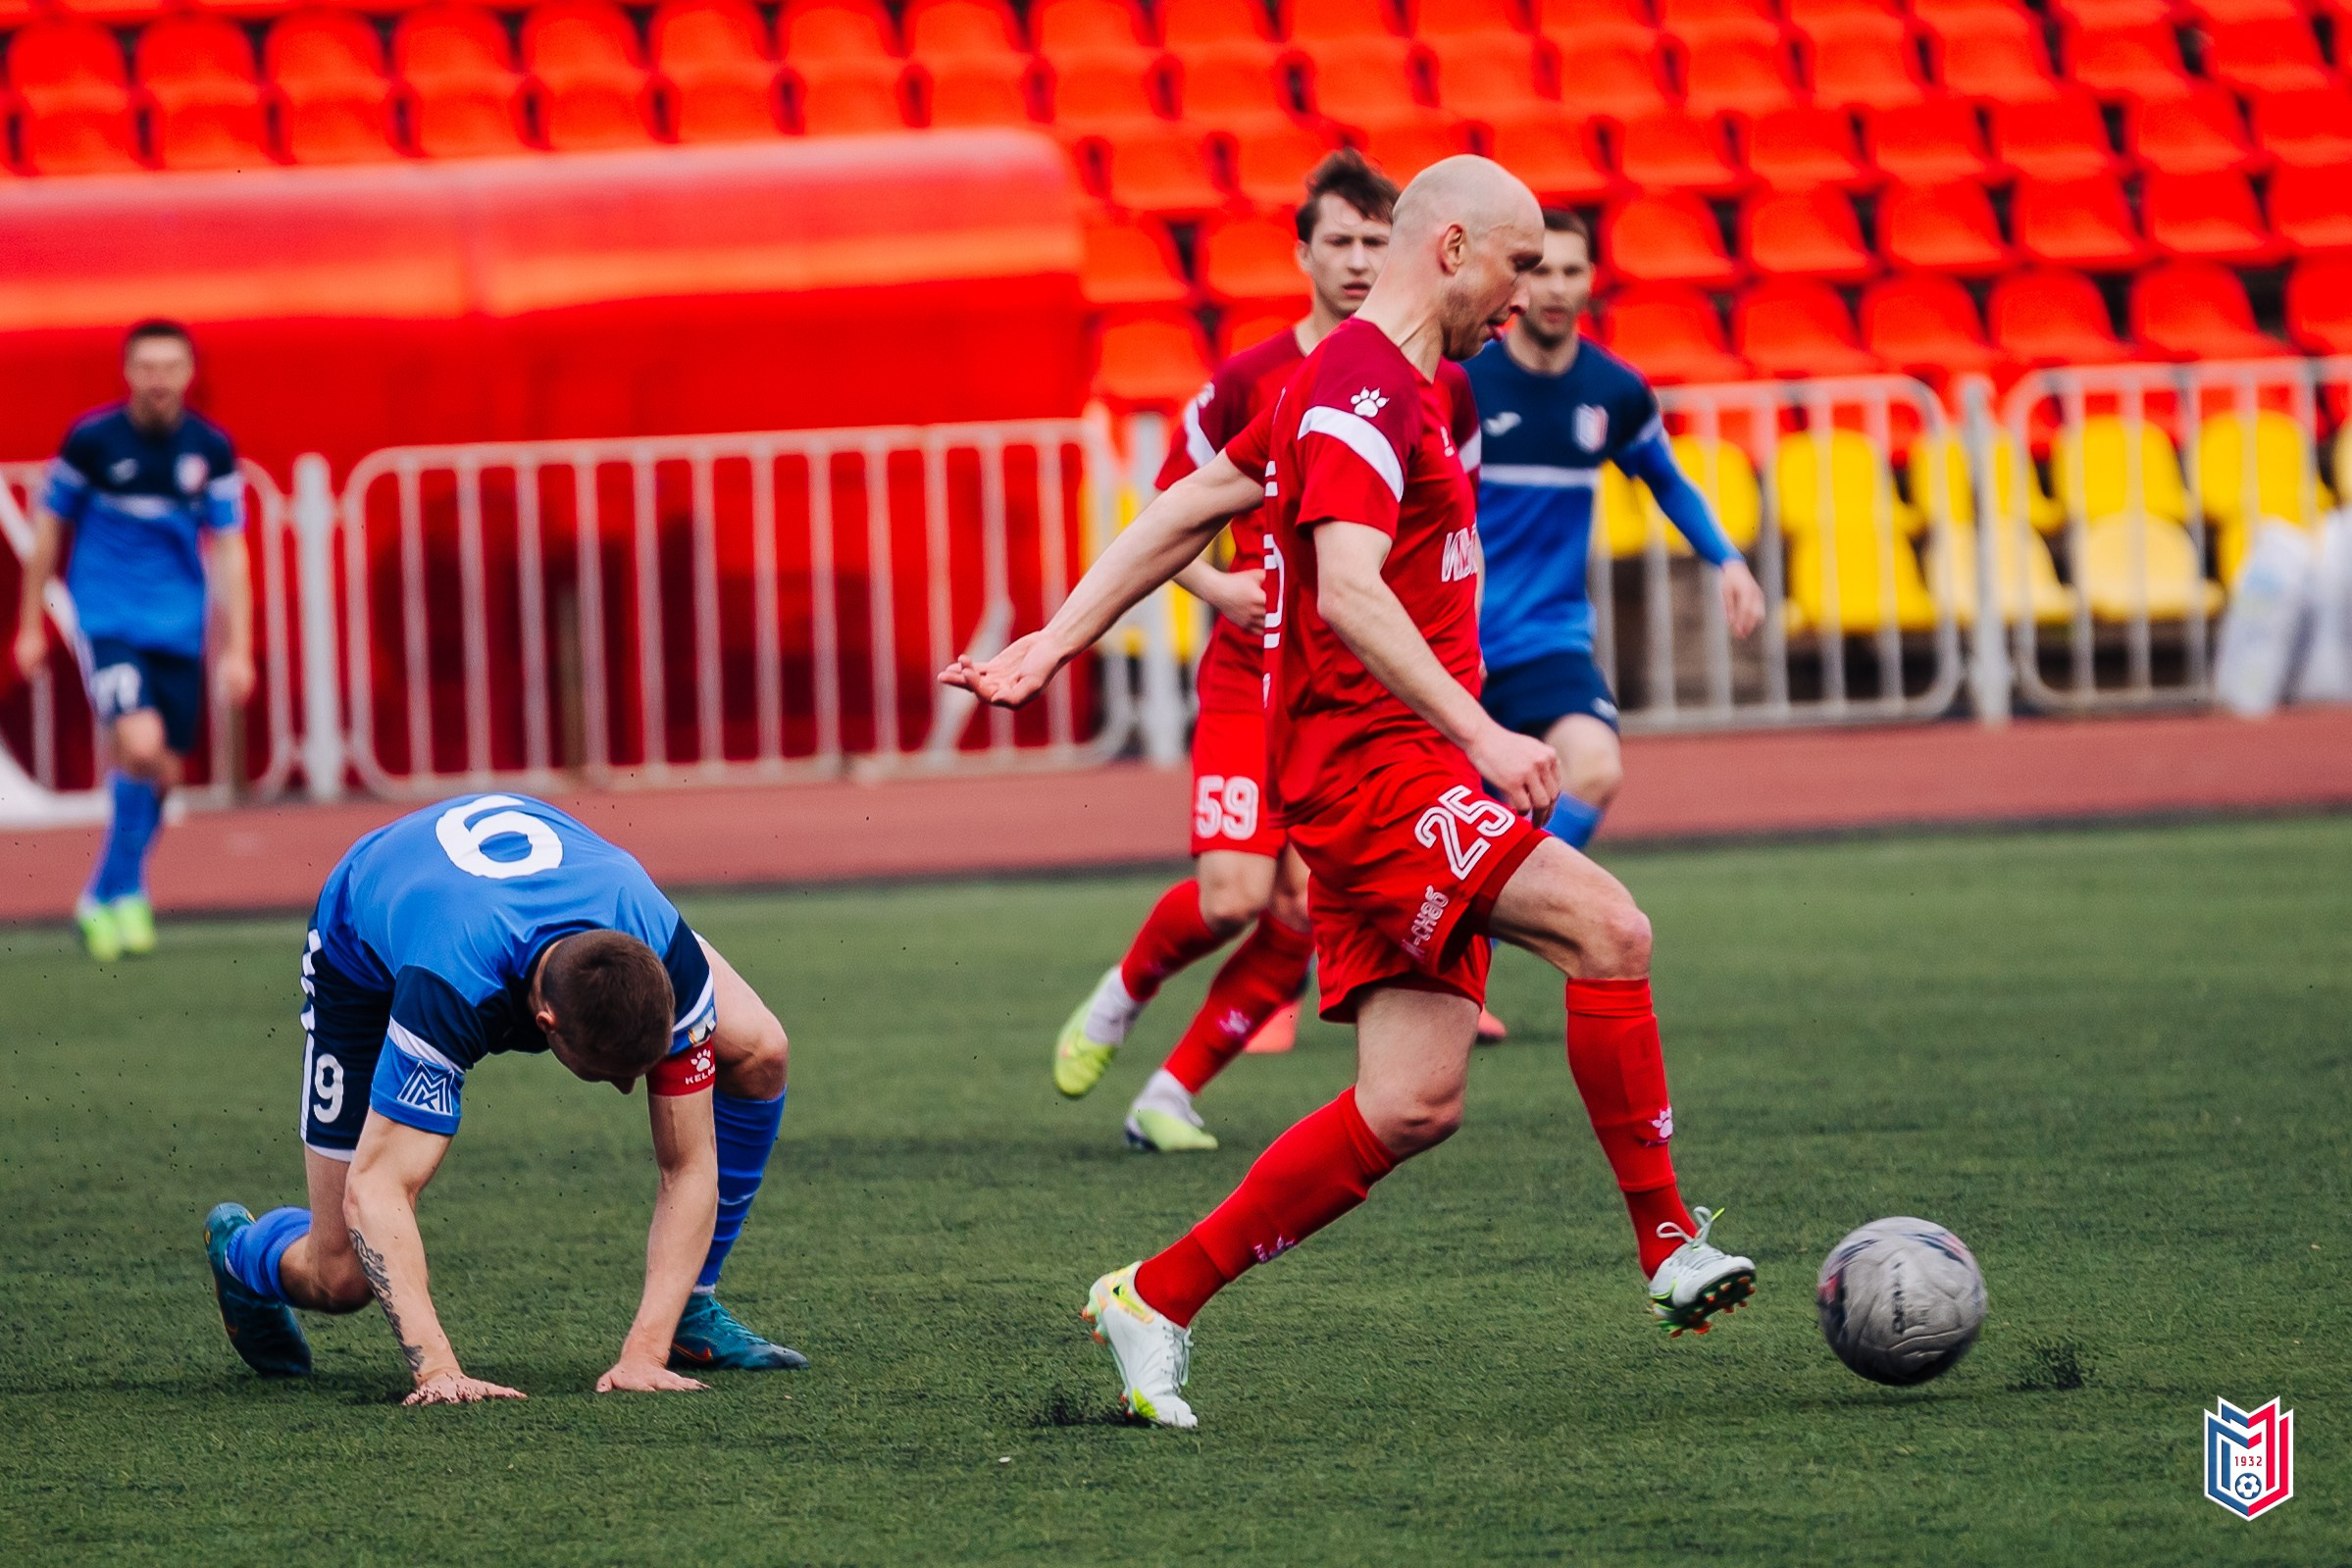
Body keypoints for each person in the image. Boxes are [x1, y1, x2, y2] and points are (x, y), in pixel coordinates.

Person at [945, 157, 1755, 1429]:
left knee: (1410, 1101)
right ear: (1448, 251)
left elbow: (1189, 505)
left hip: (1387, 767)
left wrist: (1055, 638)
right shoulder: (1365, 389)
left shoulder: (1380, 384)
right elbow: (1349, 589)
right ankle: (1665, 1243)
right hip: (1376, 771)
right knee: (1611, 928)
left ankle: (1153, 1294)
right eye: (1517, 262)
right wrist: (1483, 730)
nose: (1530, 289)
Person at [1058, 154, 1495, 1156]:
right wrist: (1222, 590)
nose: (1354, 260)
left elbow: (1447, 532)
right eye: (1336, 241)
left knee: (1299, 906)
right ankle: (1121, 998)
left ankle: (1170, 1091)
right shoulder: (1249, 380)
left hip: (1340, 692)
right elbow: (1175, 511)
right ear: (1300, 253)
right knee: (1234, 898)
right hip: (1245, 676)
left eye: (1373, 242)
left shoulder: (1443, 386)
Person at [202, 792, 803, 1403]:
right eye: (608, 1073)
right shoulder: (454, 988)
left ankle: (685, 1318)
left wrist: (643, 1355)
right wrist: (439, 1372)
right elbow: (378, 1187)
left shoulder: (663, 951)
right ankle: (241, 1253)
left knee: (760, 1052)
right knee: (341, 1277)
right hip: (365, 935)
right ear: (543, 1025)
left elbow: (690, 1164)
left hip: (541, 896)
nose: (628, 1088)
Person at [1467, 211, 1765, 853]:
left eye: (1571, 271)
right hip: (1455, 648)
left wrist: (1727, 559)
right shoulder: (1466, 381)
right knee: (1464, 822)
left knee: (1595, 768)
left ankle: (1496, 905)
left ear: (1590, 281)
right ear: (1516, 283)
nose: (1555, 288)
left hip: (1549, 641)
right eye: (1540, 271)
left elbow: (1665, 479)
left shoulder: (1613, 389)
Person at [10, 321, 254, 962]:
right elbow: (48, 529)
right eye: (147, 367)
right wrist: (31, 621)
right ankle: (122, 892)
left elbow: (230, 551)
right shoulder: (92, 441)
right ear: (127, 372)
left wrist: (238, 647)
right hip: (109, 619)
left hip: (180, 627)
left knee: (164, 771)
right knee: (140, 746)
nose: (159, 380)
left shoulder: (211, 449)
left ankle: (105, 892)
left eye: (171, 367)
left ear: (189, 373)